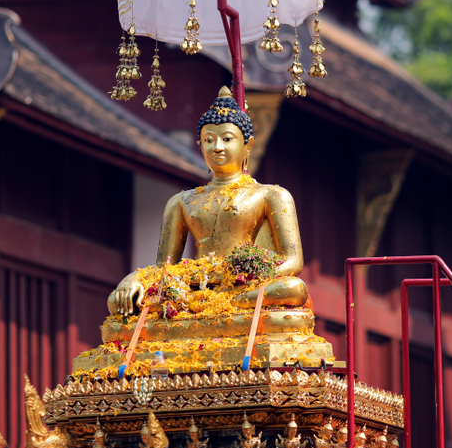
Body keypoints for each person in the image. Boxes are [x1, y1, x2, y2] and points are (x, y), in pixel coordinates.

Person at [108, 87, 309, 315]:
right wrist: (134, 277)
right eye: (209, 140)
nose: (218, 147)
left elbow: (292, 261)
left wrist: (242, 274)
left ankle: (217, 304)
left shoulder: (271, 195)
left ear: (248, 145)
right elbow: (164, 266)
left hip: (242, 286)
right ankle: (208, 303)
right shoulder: (182, 200)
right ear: (200, 145)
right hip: (194, 285)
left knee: (292, 288)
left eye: (227, 139)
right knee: (118, 300)